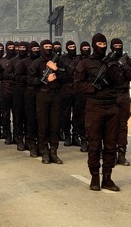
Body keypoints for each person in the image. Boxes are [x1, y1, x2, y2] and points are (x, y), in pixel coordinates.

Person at [74, 33, 125, 191]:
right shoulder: (85, 63)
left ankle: (107, 177)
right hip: (94, 107)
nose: (102, 47)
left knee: (111, 144)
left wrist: (111, 66)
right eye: (99, 44)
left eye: (104, 44)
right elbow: (77, 84)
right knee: (95, 145)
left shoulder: (112, 62)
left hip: (112, 107)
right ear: (94, 44)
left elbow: (120, 82)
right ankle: (95, 176)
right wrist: (92, 87)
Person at [28, 40, 63, 164]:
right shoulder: (37, 63)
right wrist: (45, 80)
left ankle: (54, 151)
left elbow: (68, 76)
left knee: (55, 125)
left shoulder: (58, 60)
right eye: (46, 47)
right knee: (43, 125)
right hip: (42, 94)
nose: (48, 49)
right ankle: (44, 151)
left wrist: (56, 70)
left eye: (50, 47)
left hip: (56, 95)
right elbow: (30, 79)